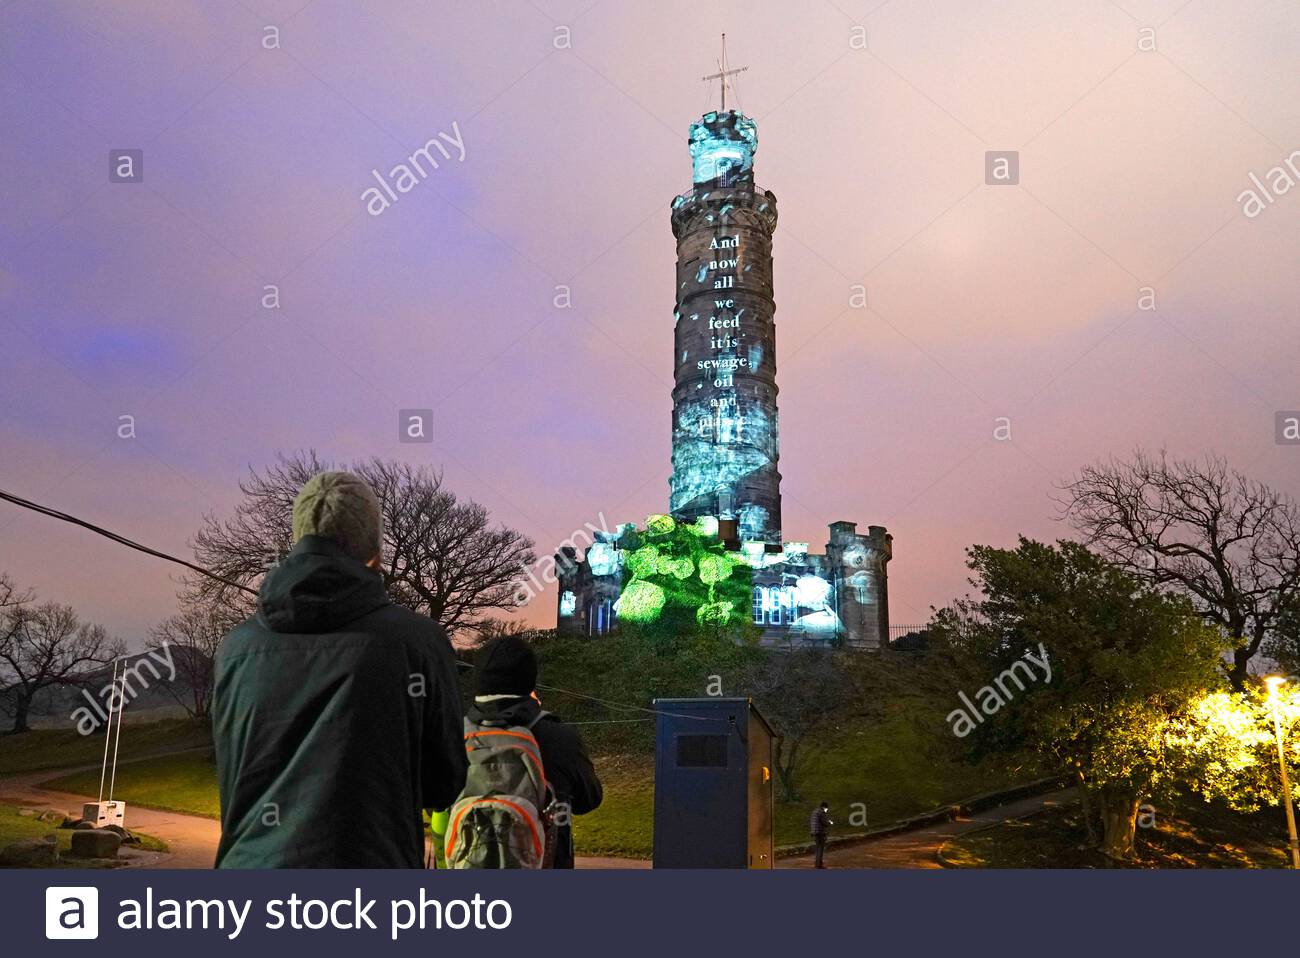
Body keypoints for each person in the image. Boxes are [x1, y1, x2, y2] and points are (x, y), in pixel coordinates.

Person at [212, 471, 467, 867]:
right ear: (375, 552)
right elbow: (443, 785)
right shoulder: (419, 642)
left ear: (297, 540)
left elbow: (235, 784)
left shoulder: (234, 649)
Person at [463, 635, 603, 868]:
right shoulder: (559, 736)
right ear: (530, 679)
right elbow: (589, 799)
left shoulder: (455, 735)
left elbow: (437, 800)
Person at [810, 801, 832, 868]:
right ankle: (818, 865)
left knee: (818, 849)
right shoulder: (821, 812)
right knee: (820, 849)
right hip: (819, 832)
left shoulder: (814, 812)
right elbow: (824, 822)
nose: (827, 810)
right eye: (826, 808)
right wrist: (830, 823)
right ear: (824, 807)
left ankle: (818, 864)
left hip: (814, 832)